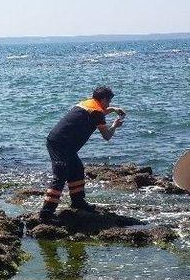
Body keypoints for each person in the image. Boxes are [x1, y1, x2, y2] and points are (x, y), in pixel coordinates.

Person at [40, 86, 126, 219]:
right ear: (103, 99)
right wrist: (115, 125)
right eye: (109, 101)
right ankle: (46, 213)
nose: (109, 103)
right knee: (60, 175)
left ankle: (78, 202)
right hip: (60, 143)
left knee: (76, 169)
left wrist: (113, 109)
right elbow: (107, 136)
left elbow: (100, 113)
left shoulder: (87, 104)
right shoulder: (96, 111)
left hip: (62, 142)